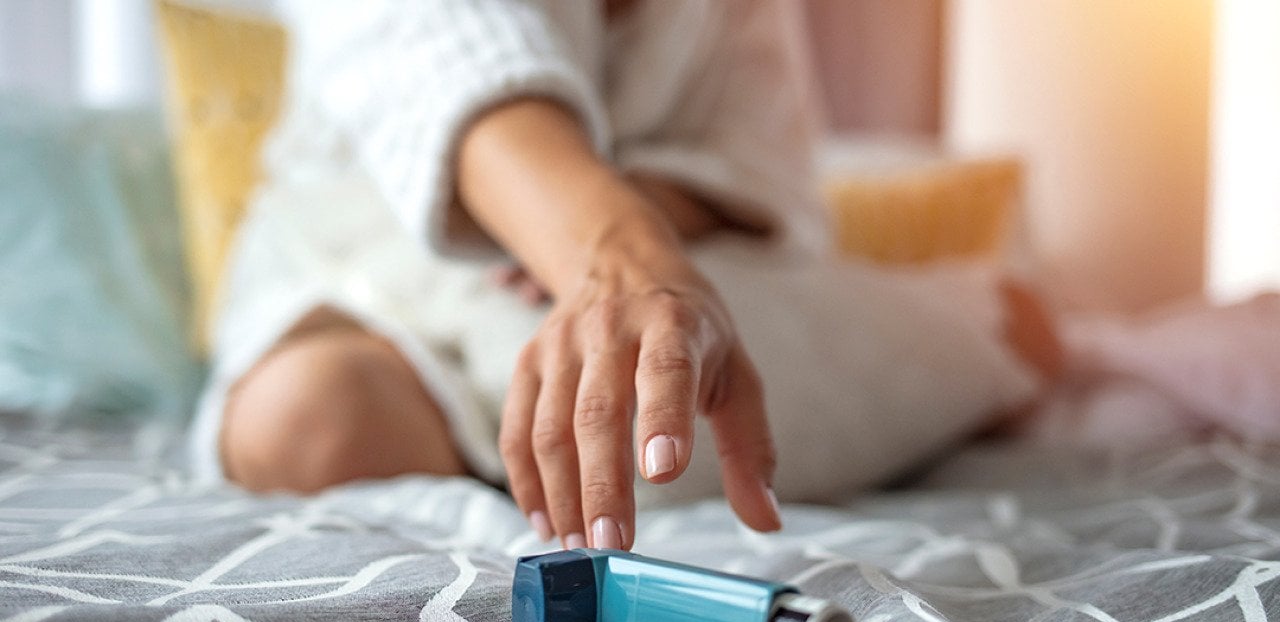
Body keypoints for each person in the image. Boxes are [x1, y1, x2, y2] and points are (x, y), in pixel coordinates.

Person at [191, 0, 1051, 552]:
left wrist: (642, 212)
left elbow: (767, 174)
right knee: (309, 420)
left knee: (699, 377)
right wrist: (611, 249)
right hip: (376, 269)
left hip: (664, 264)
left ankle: (989, 319)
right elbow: (445, 57)